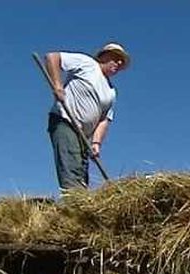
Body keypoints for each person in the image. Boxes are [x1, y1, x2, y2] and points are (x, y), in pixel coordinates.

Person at [45, 42, 130, 191]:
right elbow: (52, 57)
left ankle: (80, 204)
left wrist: (96, 143)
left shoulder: (111, 91)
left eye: (121, 61)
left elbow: (104, 119)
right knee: (71, 168)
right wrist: (57, 85)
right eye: (116, 58)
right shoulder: (87, 64)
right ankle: (74, 207)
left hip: (84, 136)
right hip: (66, 121)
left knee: (82, 174)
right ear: (104, 56)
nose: (119, 63)